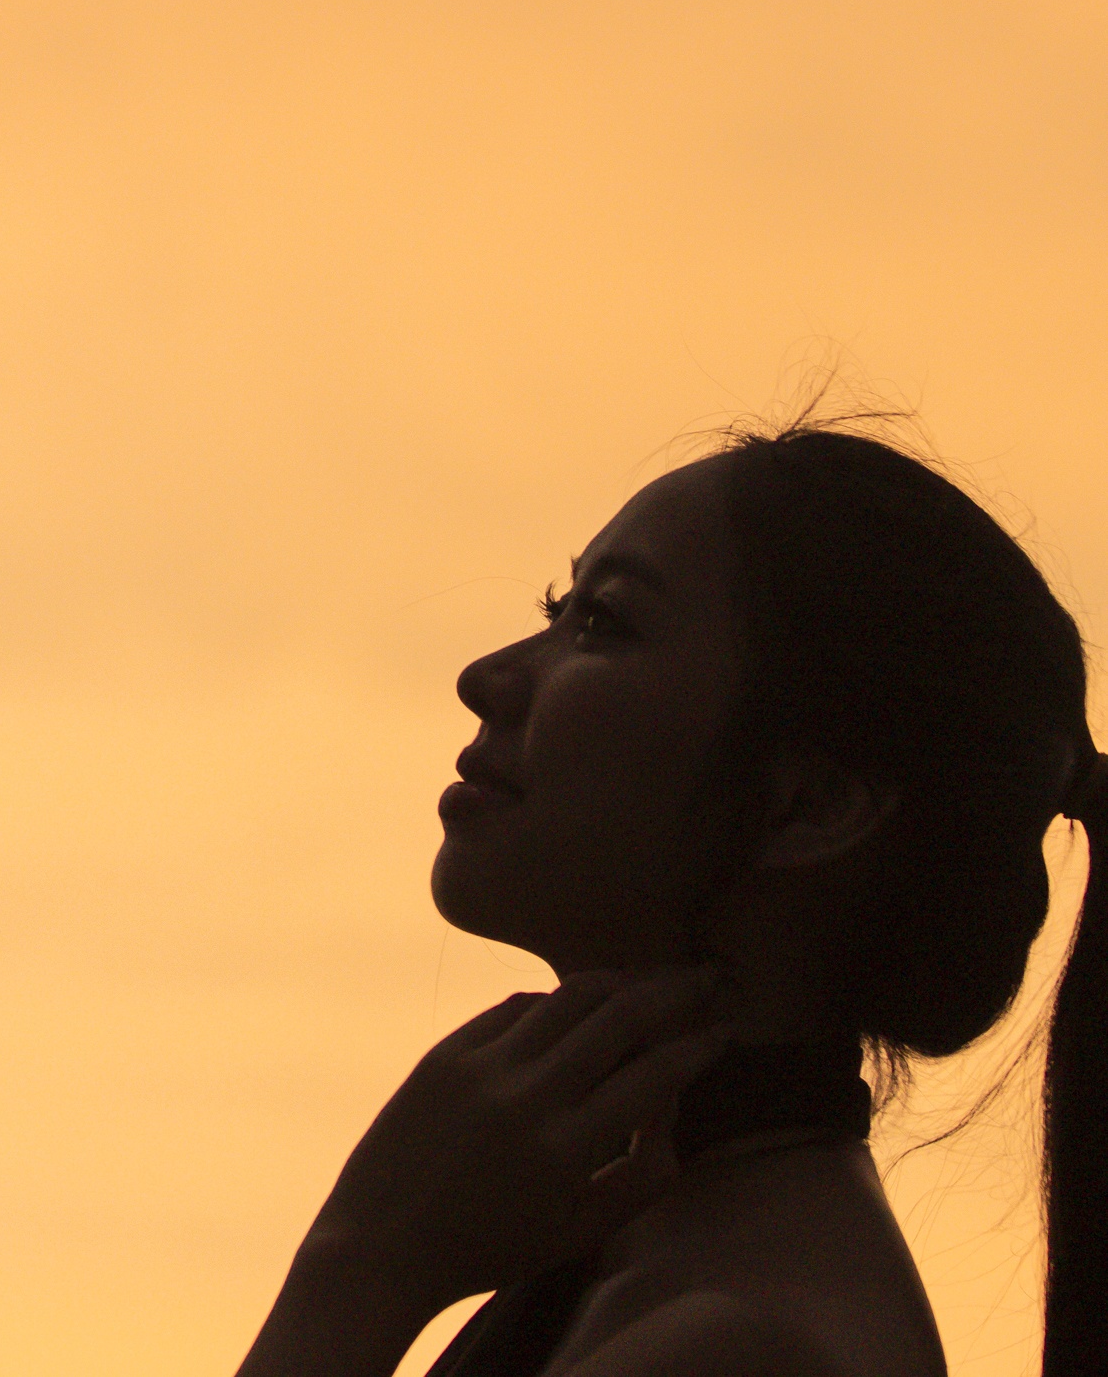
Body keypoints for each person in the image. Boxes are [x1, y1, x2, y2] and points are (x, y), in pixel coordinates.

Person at [235, 413, 1107, 1377]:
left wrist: (359, 1271)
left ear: (811, 804)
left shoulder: (735, 1345)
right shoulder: (650, 1257)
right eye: (555, 608)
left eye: (603, 622)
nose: (487, 678)